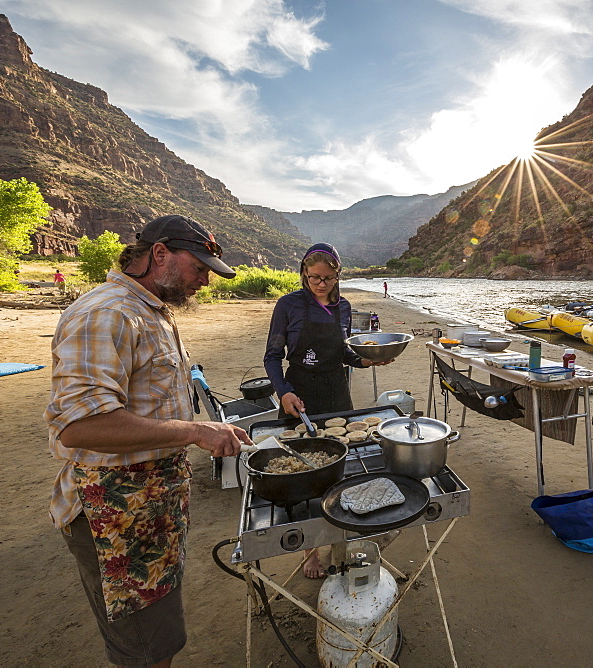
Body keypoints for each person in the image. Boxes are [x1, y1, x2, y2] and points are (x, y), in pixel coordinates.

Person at [45, 214, 253, 667]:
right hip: (113, 516)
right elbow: (80, 426)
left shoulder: (151, 311)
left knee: (158, 641)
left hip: (150, 506)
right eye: (198, 267)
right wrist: (198, 431)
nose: (204, 280)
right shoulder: (106, 314)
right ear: (159, 254)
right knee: (145, 651)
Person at [264, 242, 391, 577]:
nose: (320, 284)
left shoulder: (344, 308)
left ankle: (340, 543)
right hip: (299, 390)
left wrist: (366, 360)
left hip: (336, 390)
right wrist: (283, 392)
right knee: (302, 471)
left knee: (340, 466)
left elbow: (346, 353)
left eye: (328, 278)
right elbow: (272, 356)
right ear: (304, 274)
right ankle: (310, 552)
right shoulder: (288, 305)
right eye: (313, 277)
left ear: (338, 275)